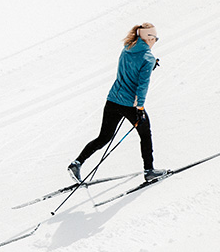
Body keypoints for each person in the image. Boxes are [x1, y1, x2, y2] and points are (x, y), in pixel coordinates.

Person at [68, 23, 168, 183]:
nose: (155, 41)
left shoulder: (126, 49)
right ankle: (149, 171)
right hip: (130, 105)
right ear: (148, 38)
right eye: (155, 38)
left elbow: (129, 71)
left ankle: (77, 163)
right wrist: (140, 108)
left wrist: (150, 67)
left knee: (104, 137)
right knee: (145, 134)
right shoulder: (147, 58)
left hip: (113, 100)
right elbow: (142, 86)